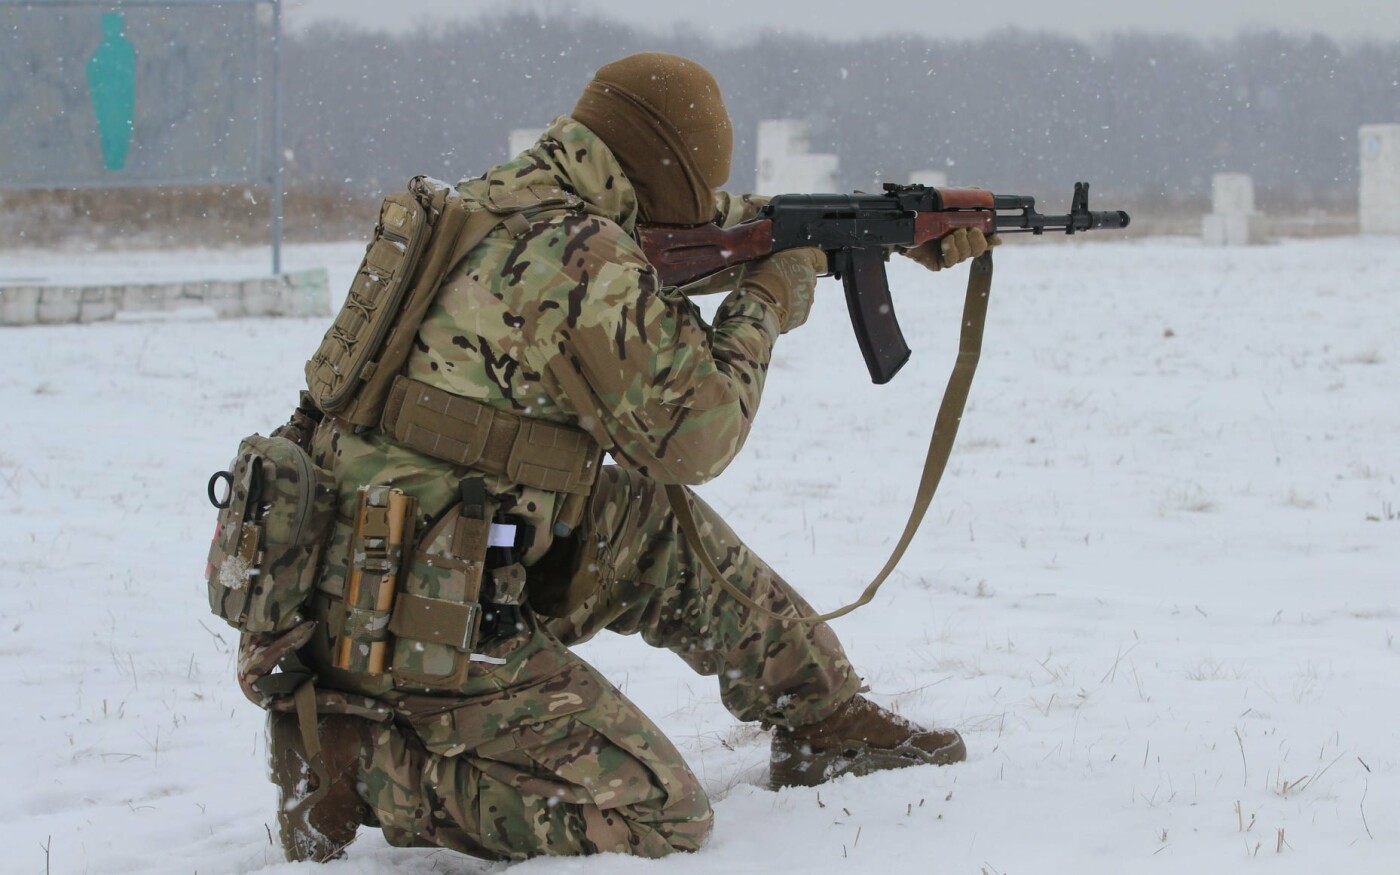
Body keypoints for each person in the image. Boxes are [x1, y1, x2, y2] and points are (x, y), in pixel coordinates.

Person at [246, 51, 995, 864]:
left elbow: (701, 233)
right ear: (666, 163)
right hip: (416, 615)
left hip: (367, 578)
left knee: (641, 524)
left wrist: (854, 234)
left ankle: (821, 717)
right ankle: (360, 765)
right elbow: (697, 432)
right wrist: (768, 298)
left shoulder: (507, 200)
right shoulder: (579, 251)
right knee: (655, 816)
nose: (706, 198)